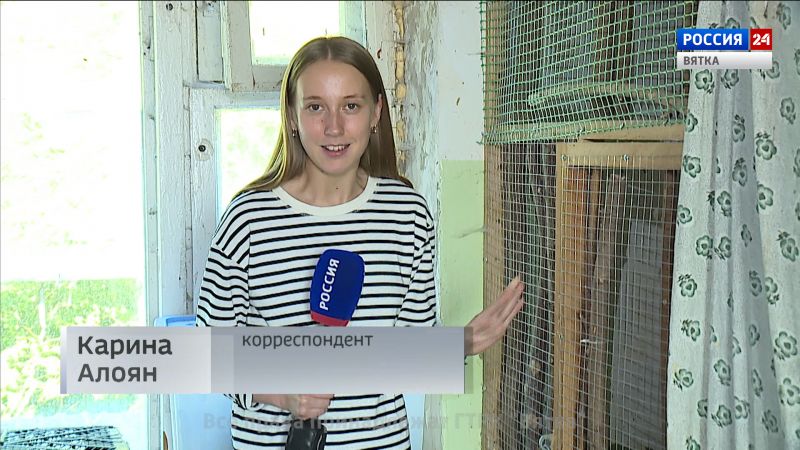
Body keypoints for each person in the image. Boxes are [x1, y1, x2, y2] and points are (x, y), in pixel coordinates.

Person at [195, 36, 525, 449]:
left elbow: (407, 357)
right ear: (292, 116)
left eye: (350, 106)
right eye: (315, 107)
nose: (334, 127)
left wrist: (460, 344)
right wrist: (282, 393)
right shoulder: (247, 220)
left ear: (376, 113)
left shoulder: (407, 215)